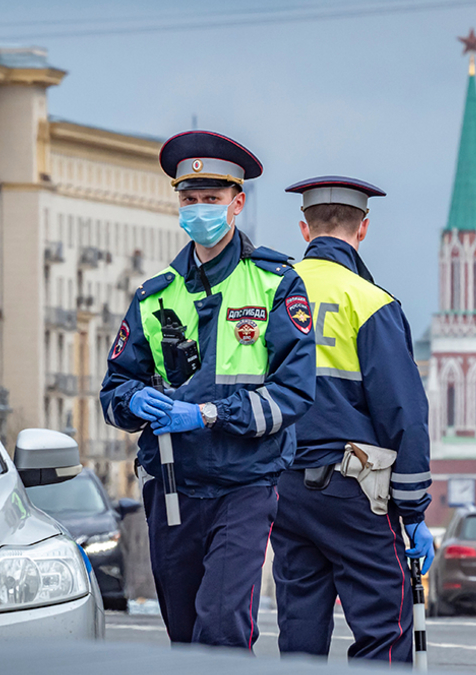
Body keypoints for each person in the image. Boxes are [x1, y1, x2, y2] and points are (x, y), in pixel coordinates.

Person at [100, 130, 316, 650]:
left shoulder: (276, 284)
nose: (199, 210)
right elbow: (113, 391)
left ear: (237, 204)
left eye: (212, 200)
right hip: (173, 487)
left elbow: (293, 394)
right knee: (183, 635)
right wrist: (131, 401)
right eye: (189, 199)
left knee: (221, 625)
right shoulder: (155, 295)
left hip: (245, 483)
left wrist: (211, 416)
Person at [271, 176, 432, 664]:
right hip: (353, 491)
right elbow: (403, 411)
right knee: (384, 622)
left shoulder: (272, 294)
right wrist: (414, 510)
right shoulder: (372, 303)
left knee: (299, 625)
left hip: (284, 487)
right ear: (363, 229)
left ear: (305, 229)